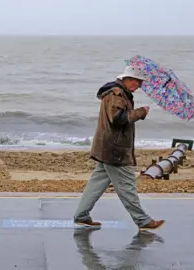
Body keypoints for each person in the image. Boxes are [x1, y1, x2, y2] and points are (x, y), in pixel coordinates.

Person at [73, 65, 165, 230]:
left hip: (107, 147)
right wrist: (140, 112)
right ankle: (143, 220)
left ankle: (81, 215)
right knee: (127, 186)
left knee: (96, 183)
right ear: (127, 79)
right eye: (137, 82)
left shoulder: (119, 93)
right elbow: (117, 119)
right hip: (115, 150)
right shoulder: (117, 94)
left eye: (140, 83)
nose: (139, 86)